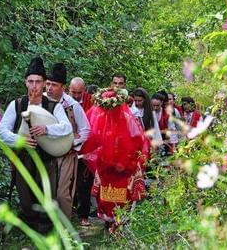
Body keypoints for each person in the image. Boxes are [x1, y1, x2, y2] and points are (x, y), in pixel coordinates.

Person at [0, 57, 73, 233]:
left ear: (44, 83)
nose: (34, 86)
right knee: (26, 198)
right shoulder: (17, 104)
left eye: (38, 82)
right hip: (23, 159)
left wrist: (47, 129)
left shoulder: (54, 106)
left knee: (48, 196)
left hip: (46, 159)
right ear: (25, 82)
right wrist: (20, 140)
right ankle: (31, 227)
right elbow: (2, 131)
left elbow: (67, 127)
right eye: (30, 81)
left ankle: (46, 230)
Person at [81, 88, 149, 232]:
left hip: (124, 167)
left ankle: (119, 225)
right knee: (106, 197)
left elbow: (137, 140)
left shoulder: (128, 119)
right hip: (106, 167)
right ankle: (109, 224)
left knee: (122, 196)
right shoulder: (100, 118)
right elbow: (92, 139)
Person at [45, 63, 91, 220]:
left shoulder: (73, 105)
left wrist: (72, 144)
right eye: (48, 84)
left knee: (62, 193)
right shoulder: (40, 102)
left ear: (62, 87)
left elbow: (85, 130)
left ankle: (65, 227)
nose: (49, 88)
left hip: (66, 155)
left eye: (54, 85)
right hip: (44, 153)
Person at [69, 77, 94, 226]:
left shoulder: (91, 101)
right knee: (68, 182)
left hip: (86, 149)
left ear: (84, 90)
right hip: (68, 148)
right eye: (74, 92)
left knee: (85, 183)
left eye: (80, 92)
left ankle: (84, 214)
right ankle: (70, 210)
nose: (77, 95)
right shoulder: (63, 101)